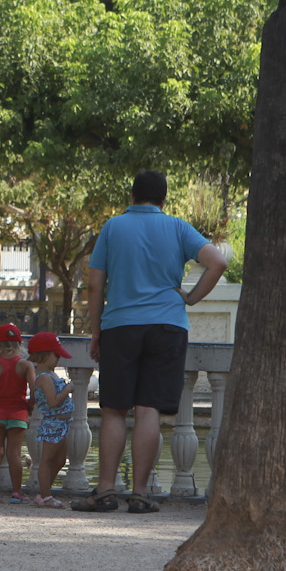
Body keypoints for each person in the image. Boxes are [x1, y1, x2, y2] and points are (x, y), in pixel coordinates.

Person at [71, 169, 229, 513]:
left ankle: (105, 491)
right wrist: (190, 298)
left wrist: (96, 331)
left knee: (113, 409)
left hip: (121, 326)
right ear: (163, 200)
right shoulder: (177, 227)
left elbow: (95, 285)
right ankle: (141, 495)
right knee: (149, 409)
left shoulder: (113, 227)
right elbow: (217, 261)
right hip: (168, 326)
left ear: (131, 197)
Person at [0, 322, 36, 504]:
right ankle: (17, 493)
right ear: (20, 345)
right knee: (15, 454)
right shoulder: (26, 365)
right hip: (18, 412)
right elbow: (35, 390)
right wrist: (30, 405)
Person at [28, 331, 76, 506]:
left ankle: (45, 490)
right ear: (44, 355)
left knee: (61, 460)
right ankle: (45, 495)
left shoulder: (51, 374)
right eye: (56, 355)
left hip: (62, 423)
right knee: (47, 461)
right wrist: (67, 389)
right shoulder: (45, 378)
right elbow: (53, 401)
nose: (58, 358)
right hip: (53, 423)